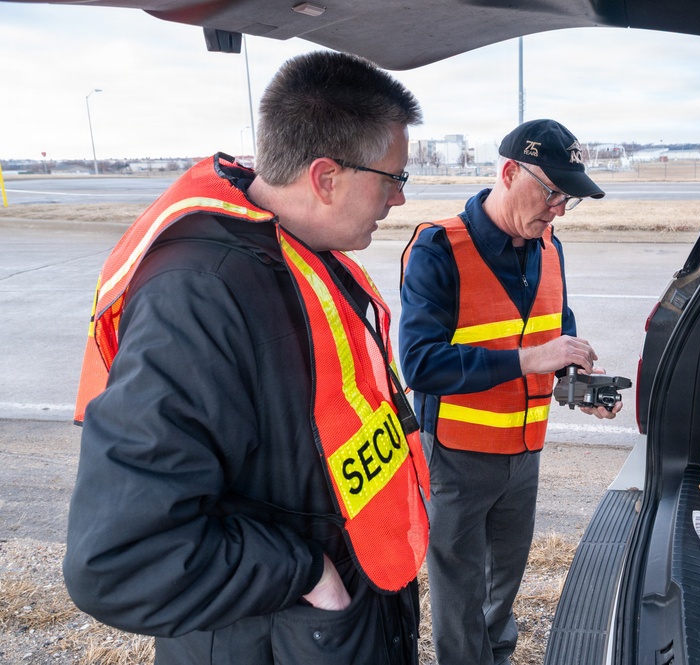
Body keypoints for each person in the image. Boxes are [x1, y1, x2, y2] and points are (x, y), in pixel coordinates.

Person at [63, 50, 431, 665]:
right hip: (279, 636)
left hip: (343, 627)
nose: (397, 198)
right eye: (393, 178)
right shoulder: (202, 293)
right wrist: (309, 575)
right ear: (325, 177)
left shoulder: (304, 253)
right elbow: (119, 558)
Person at [399, 118, 622, 665]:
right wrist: (532, 359)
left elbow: (555, 338)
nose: (559, 209)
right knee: (459, 589)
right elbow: (420, 364)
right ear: (507, 172)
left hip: (524, 454)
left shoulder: (550, 247)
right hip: (457, 457)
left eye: (568, 198)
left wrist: (580, 387)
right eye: (551, 192)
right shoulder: (438, 248)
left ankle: (495, 656)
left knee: (507, 582)